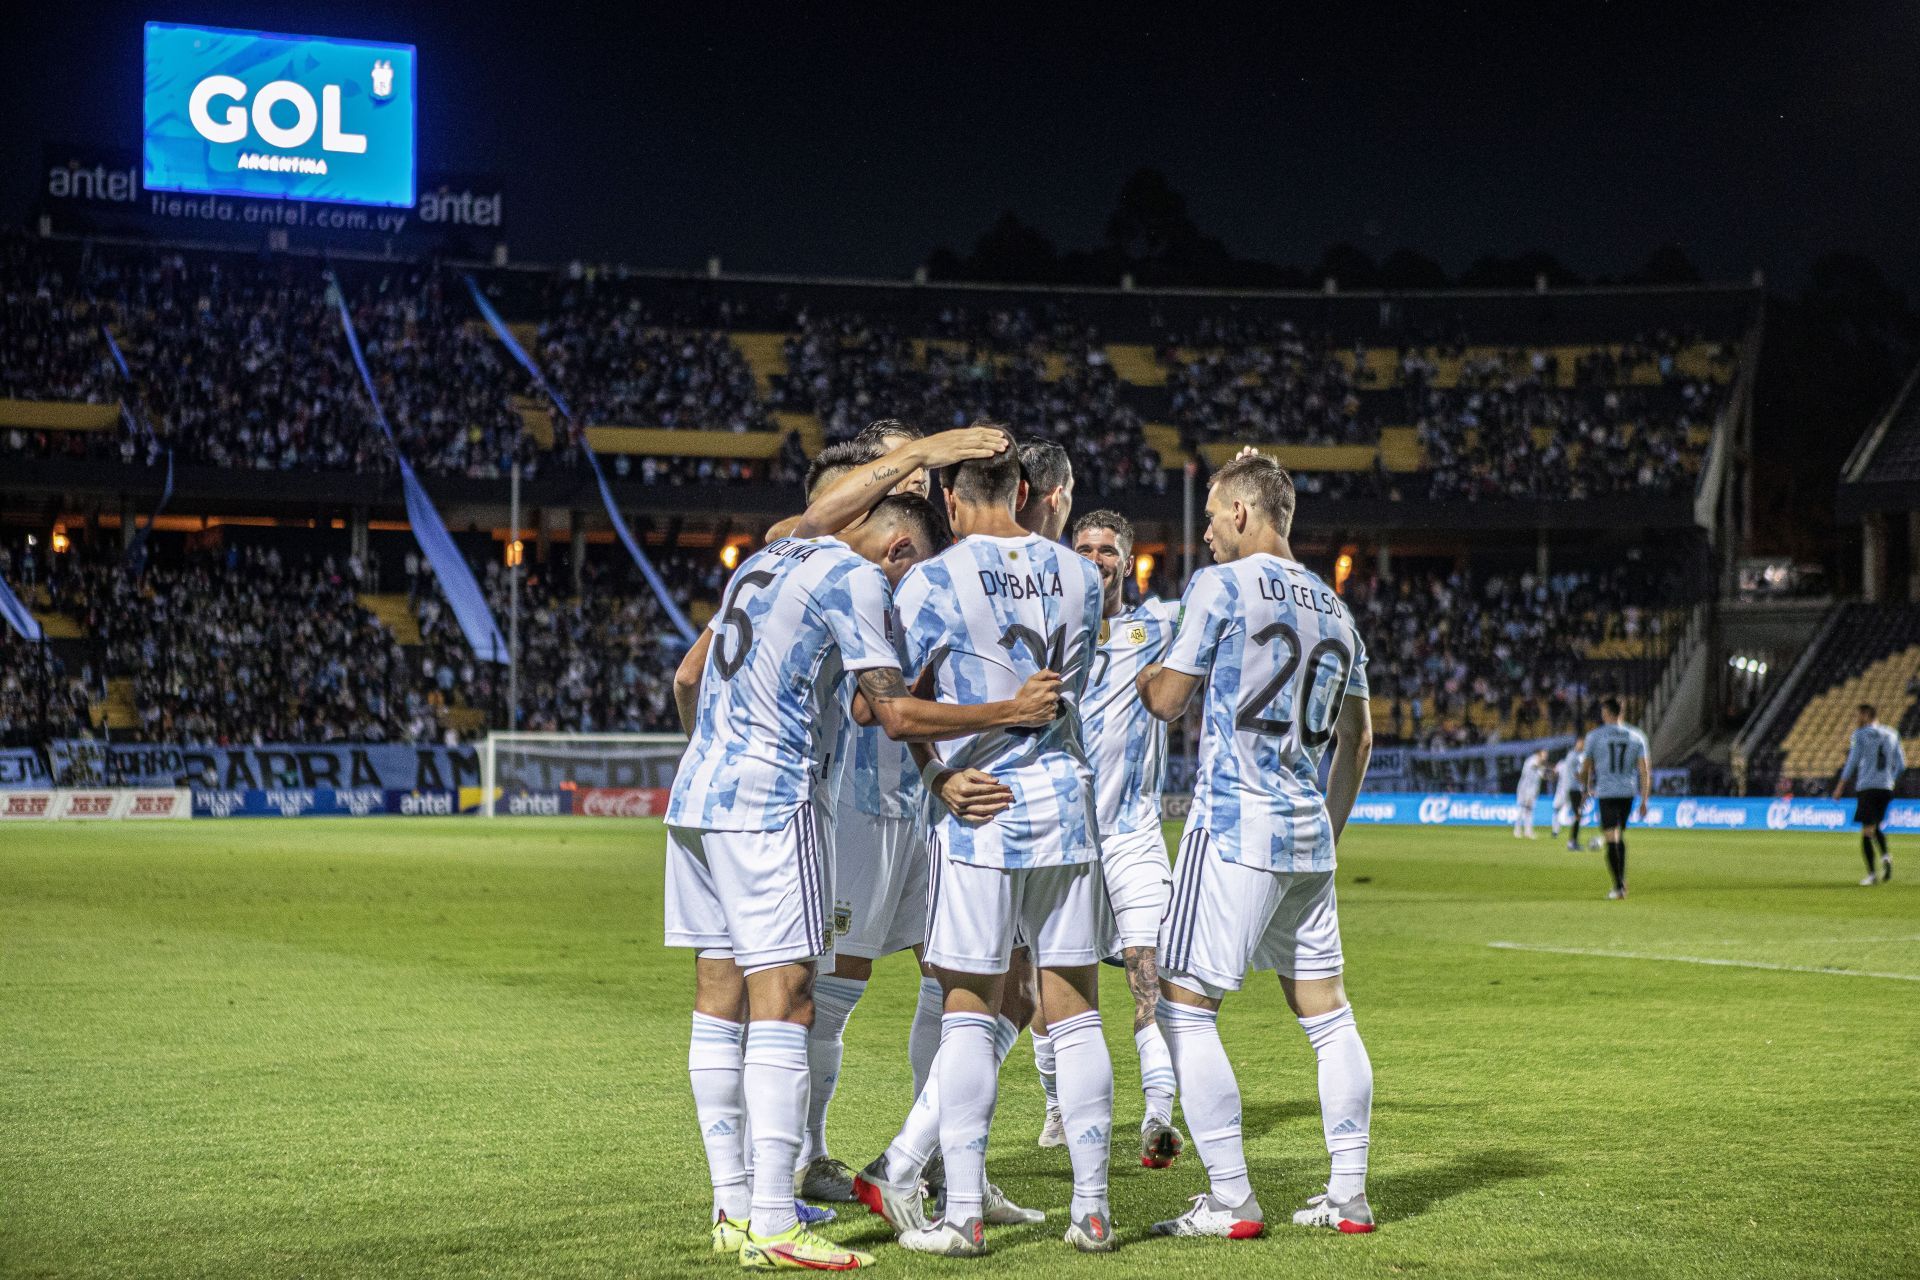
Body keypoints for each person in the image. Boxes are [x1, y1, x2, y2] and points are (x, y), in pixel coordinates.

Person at [665, 495, 1060, 1270]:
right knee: (791, 998)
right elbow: (886, 711)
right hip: (775, 799)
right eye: (914, 564)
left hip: (698, 795)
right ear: (898, 546)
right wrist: (1011, 709)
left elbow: (689, 676)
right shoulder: (854, 578)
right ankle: (777, 1219)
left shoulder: (764, 557)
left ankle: (736, 1207)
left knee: (721, 997)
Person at [879, 428, 1116, 1257]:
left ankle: (964, 1216)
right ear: (1024, 492)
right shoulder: (1086, 576)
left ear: (950, 500)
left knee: (970, 1011)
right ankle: (1092, 1211)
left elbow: (894, 704)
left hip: (978, 807)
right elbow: (1067, 689)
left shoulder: (931, 581)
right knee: (1076, 1010)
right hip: (1065, 800)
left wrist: (936, 773)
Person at [1136, 453, 1378, 1239]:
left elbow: (1169, 701)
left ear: (1244, 512)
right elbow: (1360, 739)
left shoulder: (1221, 586)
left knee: (1183, 1002)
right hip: (1307, 833)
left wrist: (1143, 667)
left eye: (1211, 515)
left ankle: (1232, 1197)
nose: (1204, 532)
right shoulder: (1337, 610)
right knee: (1329, 1017)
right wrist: (1327, 830)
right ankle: (1348, 1194)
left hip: (1236, 824)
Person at [1065, 509, 1184, 1168]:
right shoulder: (1049, 636)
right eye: (1083, 547)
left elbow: (1225, 589)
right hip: (1065, 840)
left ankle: (1159, 1114)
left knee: (1149, 971)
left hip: (1134, 836)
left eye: (1107, 549)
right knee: (1054, 985)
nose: (1095, 557)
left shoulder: (1156, 627)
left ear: (1127, 562)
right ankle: (1061, 1109)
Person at [1581, 698, 1650, 900]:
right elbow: (1645, 770)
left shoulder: (1594, 737)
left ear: (1606, 712)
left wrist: (1585, 789)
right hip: (1627, 793)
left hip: (1607, 793)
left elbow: (1585, 768)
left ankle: (1618, 886)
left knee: (1612, 837)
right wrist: (1644, 799)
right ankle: (1621, 884)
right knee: (1617, 835)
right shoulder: (1637, 736)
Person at [1831, 703, 1905, 885]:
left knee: (1866, 831)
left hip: (1868, 787)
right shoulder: (1892, 733)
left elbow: (1852, 761)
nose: (1856, 719)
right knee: (1875, 825)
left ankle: (1872, 875)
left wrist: (1840, 786)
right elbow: (1902, 764)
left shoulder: (1860, 735)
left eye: (1858, 715)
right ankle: (1886, 856)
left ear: (1866, 715)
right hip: (1886, 788)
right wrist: (1891, 779)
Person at [1555, 734, 1589, 850]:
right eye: (1582, 743)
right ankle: (1572, 842)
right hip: (1573, 788)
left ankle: (1573, 841)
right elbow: (1577, 774)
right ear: (1578, 742)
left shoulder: (1580, 755)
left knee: (1578, 815)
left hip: (1576, 788)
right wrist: (1586, 786)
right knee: (1578, 814)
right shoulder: (1573, 756)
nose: (1584, 745)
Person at [1513, 748, 1546, 839]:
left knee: (1530, 810)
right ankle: (1517, 830)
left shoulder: (1541, 765)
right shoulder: (1531, 760)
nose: (1545, 757)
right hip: (1524, 789)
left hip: (1533, 790)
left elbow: (1542, 776)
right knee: (1522, 808)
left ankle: (1528, 831)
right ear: (1539, 754)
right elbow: (1535, 766)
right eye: (1544, 755)